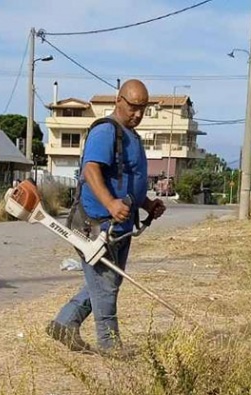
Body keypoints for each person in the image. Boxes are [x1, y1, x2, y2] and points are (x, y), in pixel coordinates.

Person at [46, 79, 167, 356]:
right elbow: (91, 171)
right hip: (96, 225)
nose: (138, 114)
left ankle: (64, 323)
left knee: (105, 283)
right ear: (119, 101)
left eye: (143, 109)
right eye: (133, 107)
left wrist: (146, 203)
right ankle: (110, 345)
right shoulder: (106, 132)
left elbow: (126, 179)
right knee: (107, 286)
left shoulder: (131, 136)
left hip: (119, 226)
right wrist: (111, 203)